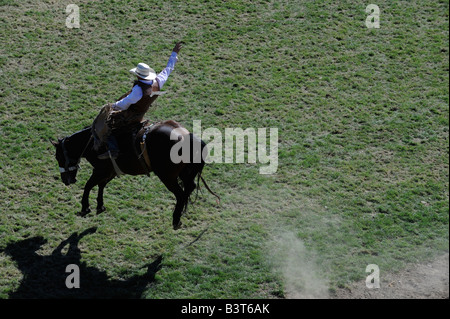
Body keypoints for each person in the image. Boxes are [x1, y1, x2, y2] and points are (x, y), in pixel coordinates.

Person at [96, 42, 182, 160]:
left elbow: (125, 103)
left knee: (109, 125)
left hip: (131, 116)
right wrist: (174, 54)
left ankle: (113, 149)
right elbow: (168, 69)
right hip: (141, 115)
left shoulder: (138, 90)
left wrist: (112, 106)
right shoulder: (158, 81)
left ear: (138, 76)